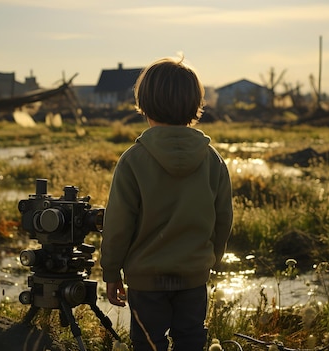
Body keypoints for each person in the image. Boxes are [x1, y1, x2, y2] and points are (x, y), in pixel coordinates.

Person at [100, 57, 233, 351]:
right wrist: (211, 259)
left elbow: (118, 223)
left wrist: (111, 271)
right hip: (193, 274)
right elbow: (223, 218)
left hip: (146, 279)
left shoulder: (133, 160)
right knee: (191, 339)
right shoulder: (212, 159)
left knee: (148, 343)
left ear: (144, 103)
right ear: (196, 104)